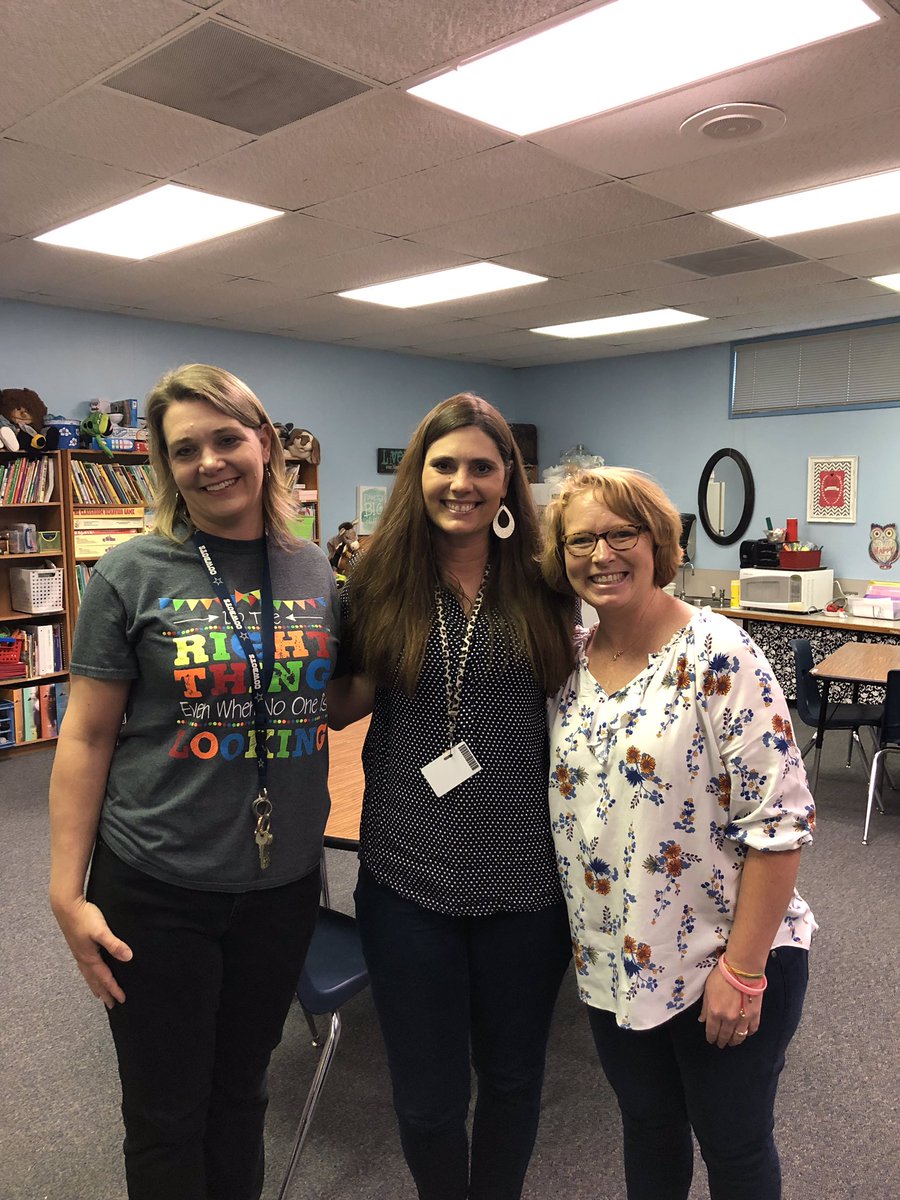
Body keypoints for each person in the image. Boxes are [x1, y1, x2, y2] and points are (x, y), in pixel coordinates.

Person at [48, 363, 339, 1200]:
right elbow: (87, 734)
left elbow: (326, 693)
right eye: (185, 450)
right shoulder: (130, 572)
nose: (209, 462)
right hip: (158, 882)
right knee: (167, 1115)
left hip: (281, 885)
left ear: (264, 443)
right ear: (165, 467)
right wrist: (67, 896)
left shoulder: (314, 570)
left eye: (226, 438)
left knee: (241, 1097)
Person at [540, 466, 817, 1200]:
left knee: (732, 1147)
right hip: (614, 958)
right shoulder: (566, 662)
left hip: (723, 962)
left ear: (658, 542)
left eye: (621, 533)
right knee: (649, 1131)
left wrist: (744, 971)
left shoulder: (721, 656)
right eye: (581, 539)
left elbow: (781, 825)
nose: (602, 553)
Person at [330, 392, 575, 1200]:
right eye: (444, 465)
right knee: (430, 1099)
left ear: (508, 478)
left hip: (526, 883)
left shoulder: (549, 582)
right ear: (418, 475)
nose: (461, 482)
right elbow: (345, 701)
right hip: (408, 875)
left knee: (512, 1081)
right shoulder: (378, 578)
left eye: (481, 465)